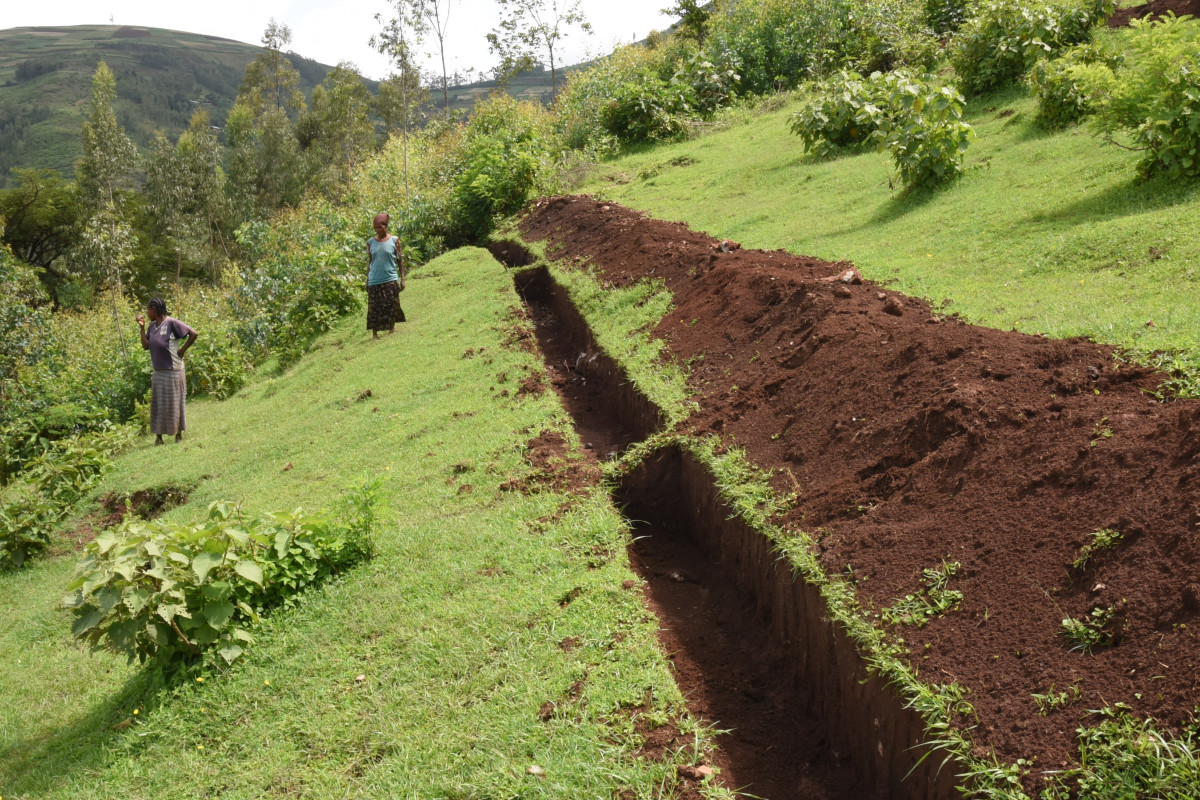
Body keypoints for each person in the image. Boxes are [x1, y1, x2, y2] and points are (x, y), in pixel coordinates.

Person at [136, 298, 199, 445]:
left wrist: (182, 350)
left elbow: (193, 333)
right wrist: (142, 328)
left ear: (154, 309)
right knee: (158, 405)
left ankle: (178, 436)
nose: (147, 313)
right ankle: (159, 438)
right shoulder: (152, 326)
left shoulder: (172, 323)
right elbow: (146, 346)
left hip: (174, 371)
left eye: (148, 310)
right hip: (158, 372)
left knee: (174, 403)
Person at [366, 212, 406, 339]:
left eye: (380, 227)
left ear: (386, 226)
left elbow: (400, 260)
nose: (378, 230)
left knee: (391, 304)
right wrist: (367, 280)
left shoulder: (394, 240)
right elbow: (370, 262)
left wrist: (403, 279)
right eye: (375, 228)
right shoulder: (370, 242)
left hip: (390, 278)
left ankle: (392, 328)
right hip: (374, 280)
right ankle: (375, 334)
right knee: (374, 308)